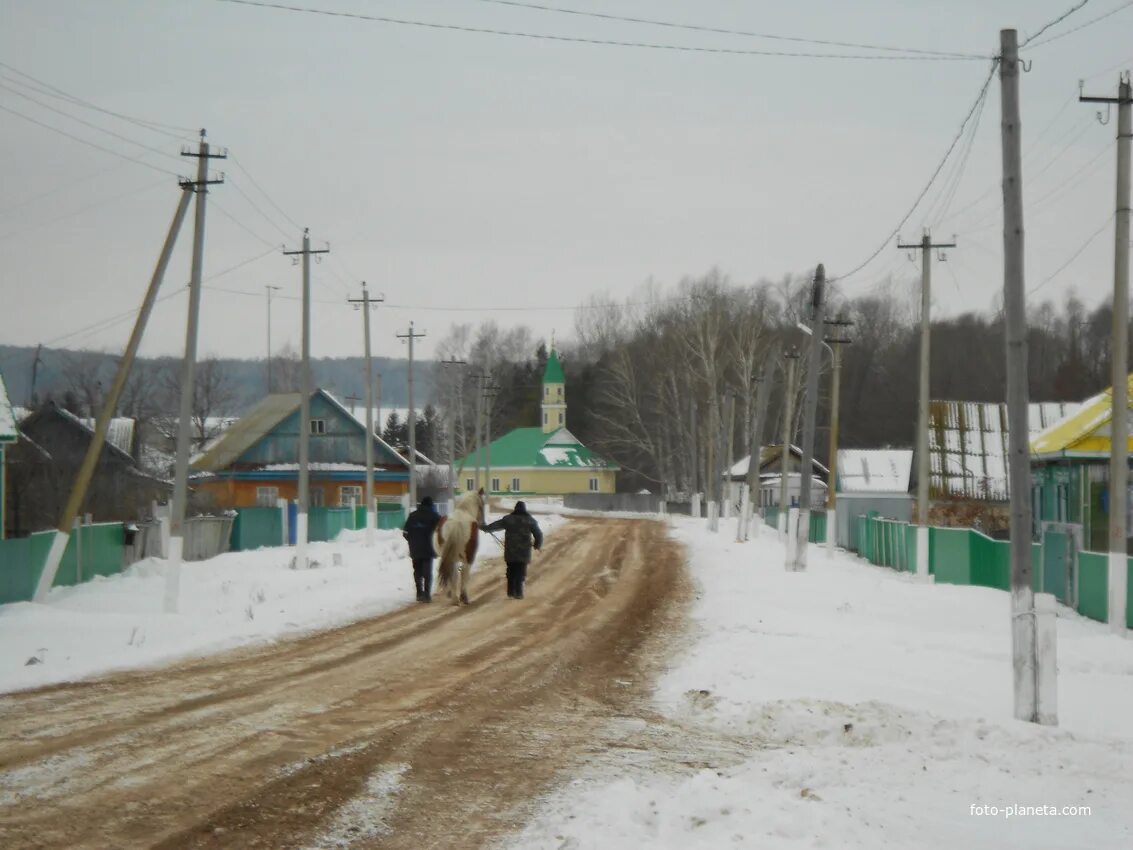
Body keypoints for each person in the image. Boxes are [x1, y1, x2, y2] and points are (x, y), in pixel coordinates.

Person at [483, 500, 543, 599]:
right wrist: (537, 545)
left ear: (515, 509)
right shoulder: (530, 520)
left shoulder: (508, 519)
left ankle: (510, 592)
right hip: (524, 552)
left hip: (510, 551)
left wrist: (486, 528)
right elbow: (538, 534)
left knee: (511, 570)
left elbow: (495, 526)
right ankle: (518, 593)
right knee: (520, 571)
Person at [402, 496, 442, 602]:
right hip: (428, 549)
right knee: (427, 572)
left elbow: (405, 533)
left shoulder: (412, 516)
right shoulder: (435, 516)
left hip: (415, 549)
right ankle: (427, 595)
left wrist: (412, 541)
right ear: (430, 505)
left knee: (417, 571)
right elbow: (442, 530)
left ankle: (419, 593)